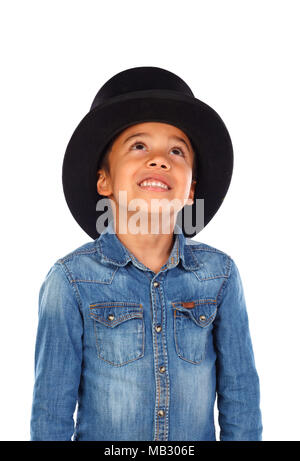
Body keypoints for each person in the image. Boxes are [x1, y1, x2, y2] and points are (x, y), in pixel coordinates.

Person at [30, 66, 263, 441]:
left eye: (176, 150)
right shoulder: (71, 281)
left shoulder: (219, 276)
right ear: (104, 180)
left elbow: (241, 399)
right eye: (139, 146)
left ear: (190, 191)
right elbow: (51, 411)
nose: (159, 159)